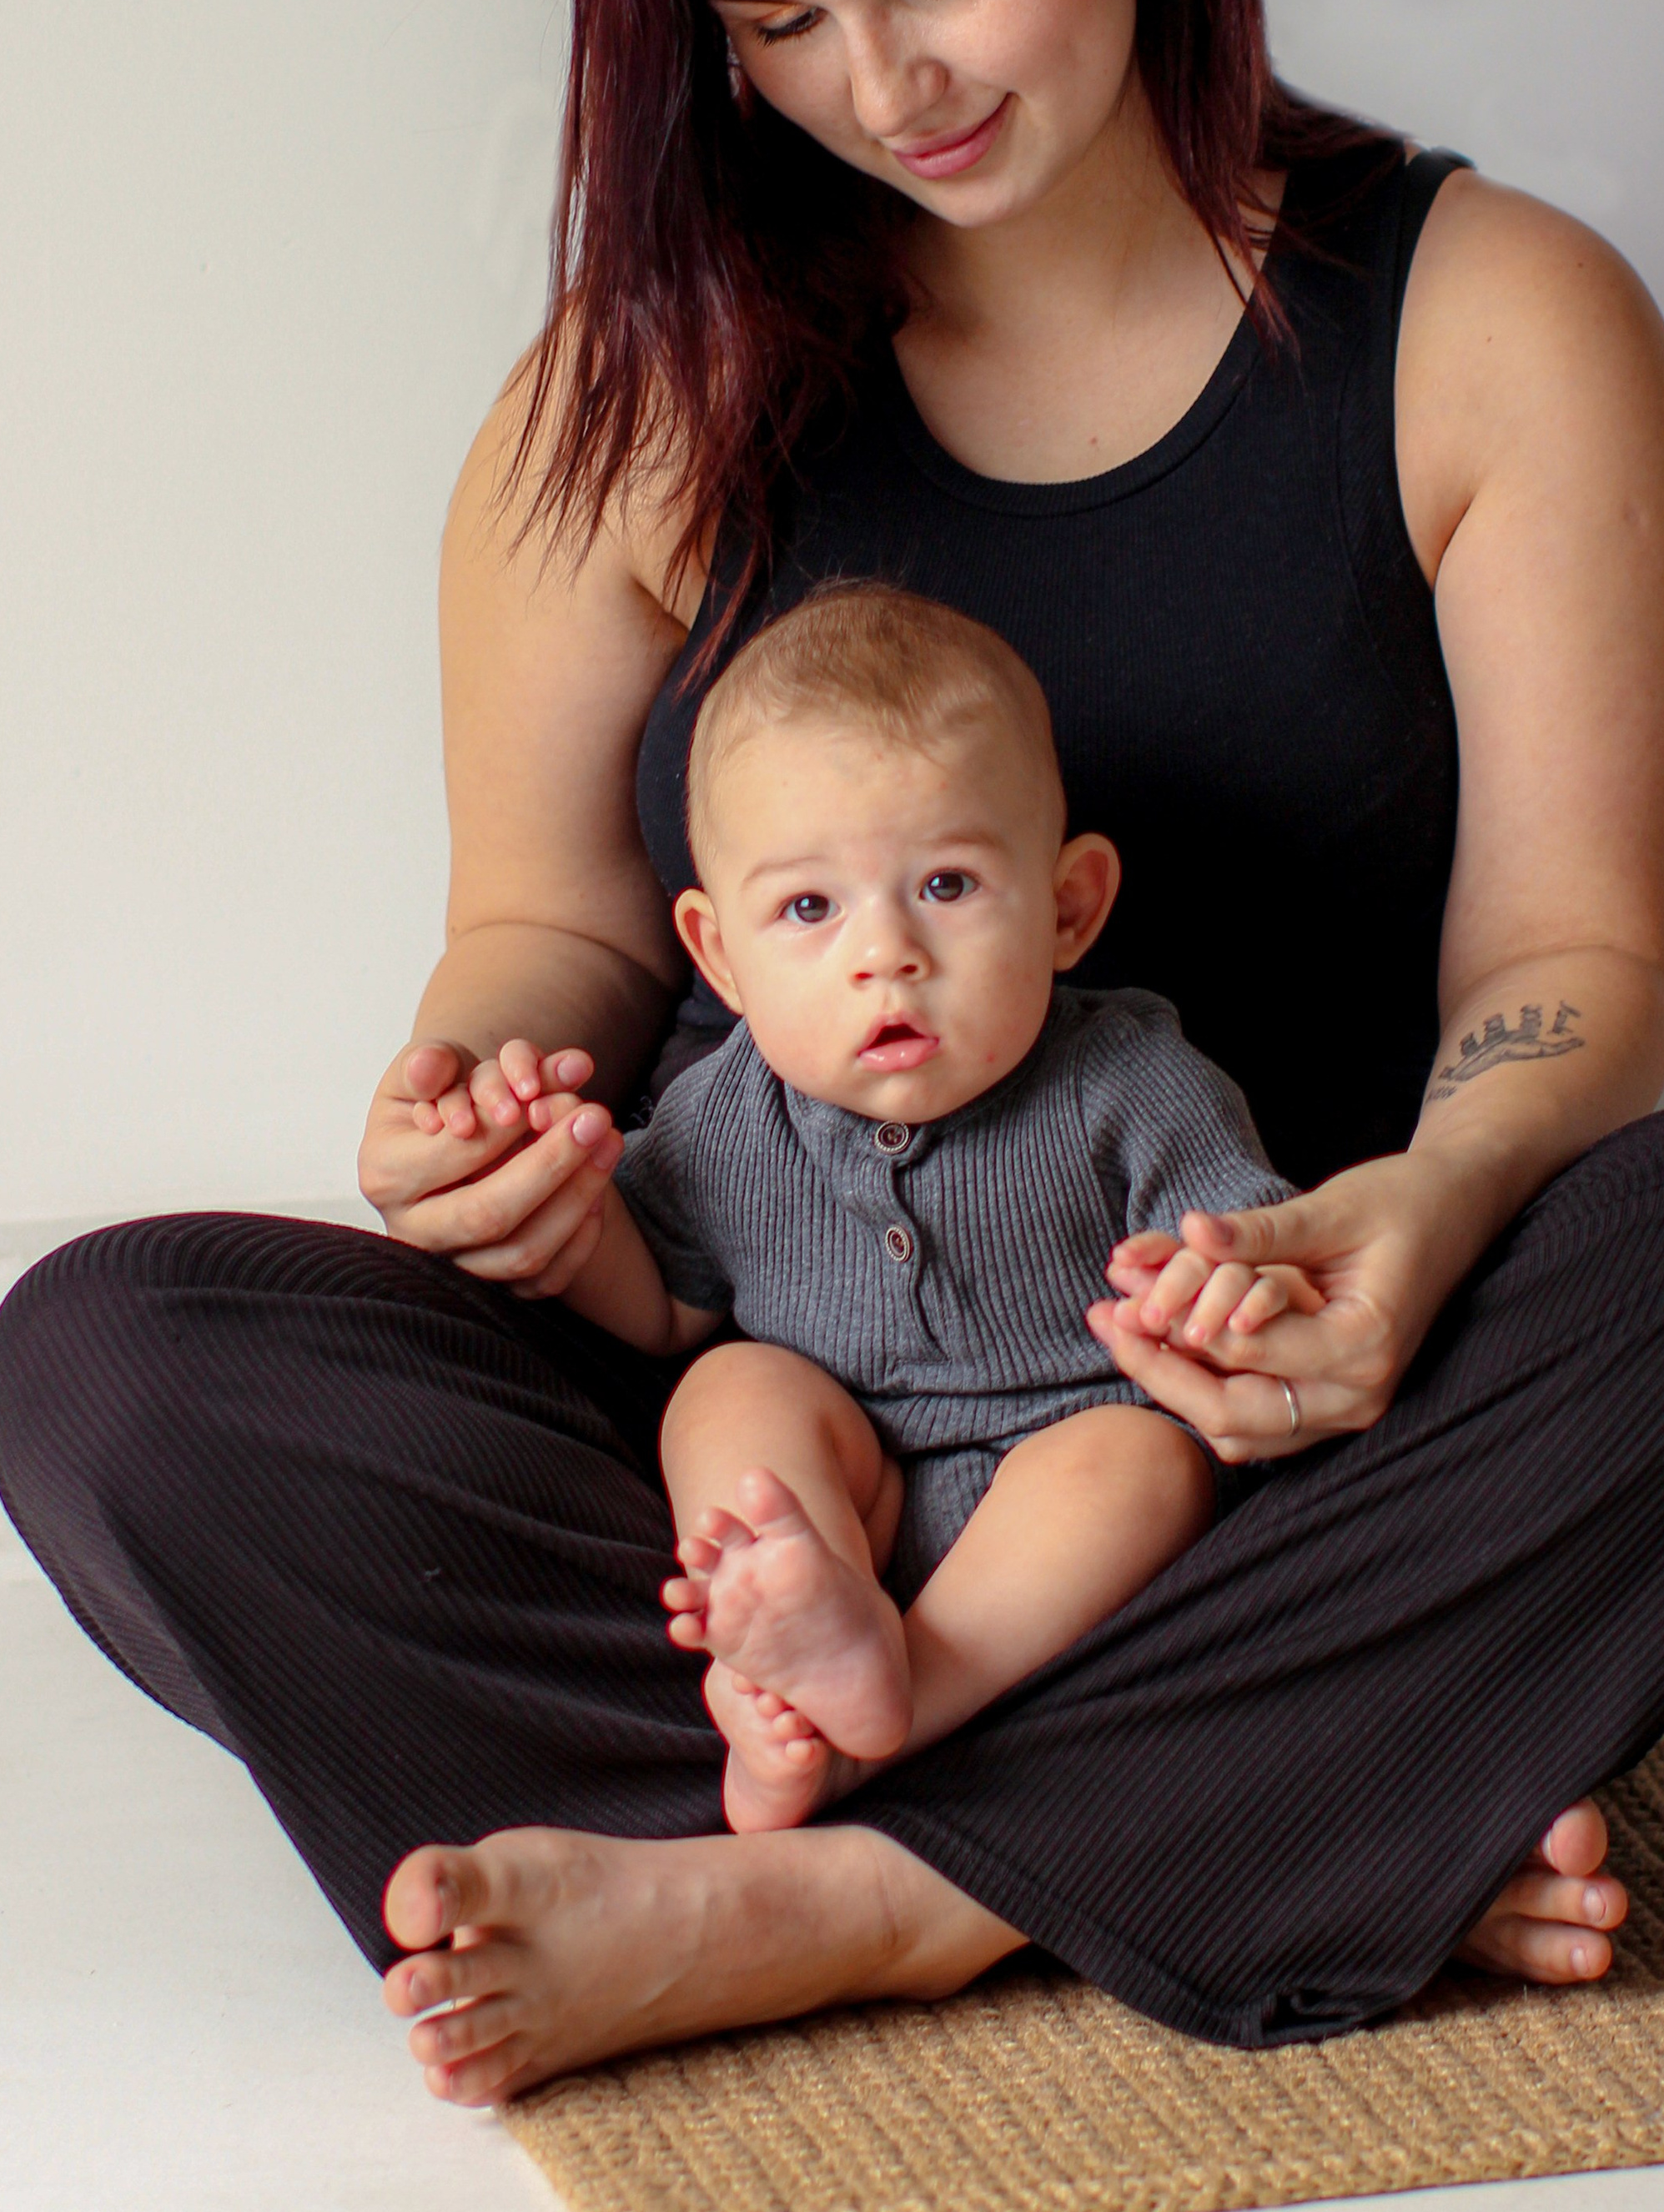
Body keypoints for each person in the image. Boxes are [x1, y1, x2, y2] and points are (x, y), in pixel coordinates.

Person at [0, 0, 1664, 2116]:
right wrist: (484, 1119)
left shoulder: (1492, 326)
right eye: (779, 21)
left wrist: (1411, 1218)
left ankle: (843, 1900)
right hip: (753, 1469)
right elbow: (543, 937)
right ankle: (1301, 1816)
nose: (881, 89)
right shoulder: (647, 390)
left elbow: (1571, 965)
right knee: (112, 1368)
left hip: (1257, 1443)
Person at [539, 579, 1298, 1832]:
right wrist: (571, 1214)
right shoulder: (731, 1113)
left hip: (1066, 1515)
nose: (882, 953)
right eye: (807, 908)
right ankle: (805, 1614)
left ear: (1068, 908)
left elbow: (1251, 1242)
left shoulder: (1130, 1079)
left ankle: (888, 1707)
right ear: (720, 957)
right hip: (860, 1498)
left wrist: (1218, 1288)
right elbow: (668, 1301)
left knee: (1140, 1463)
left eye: (945, 886)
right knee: (728, 1390)